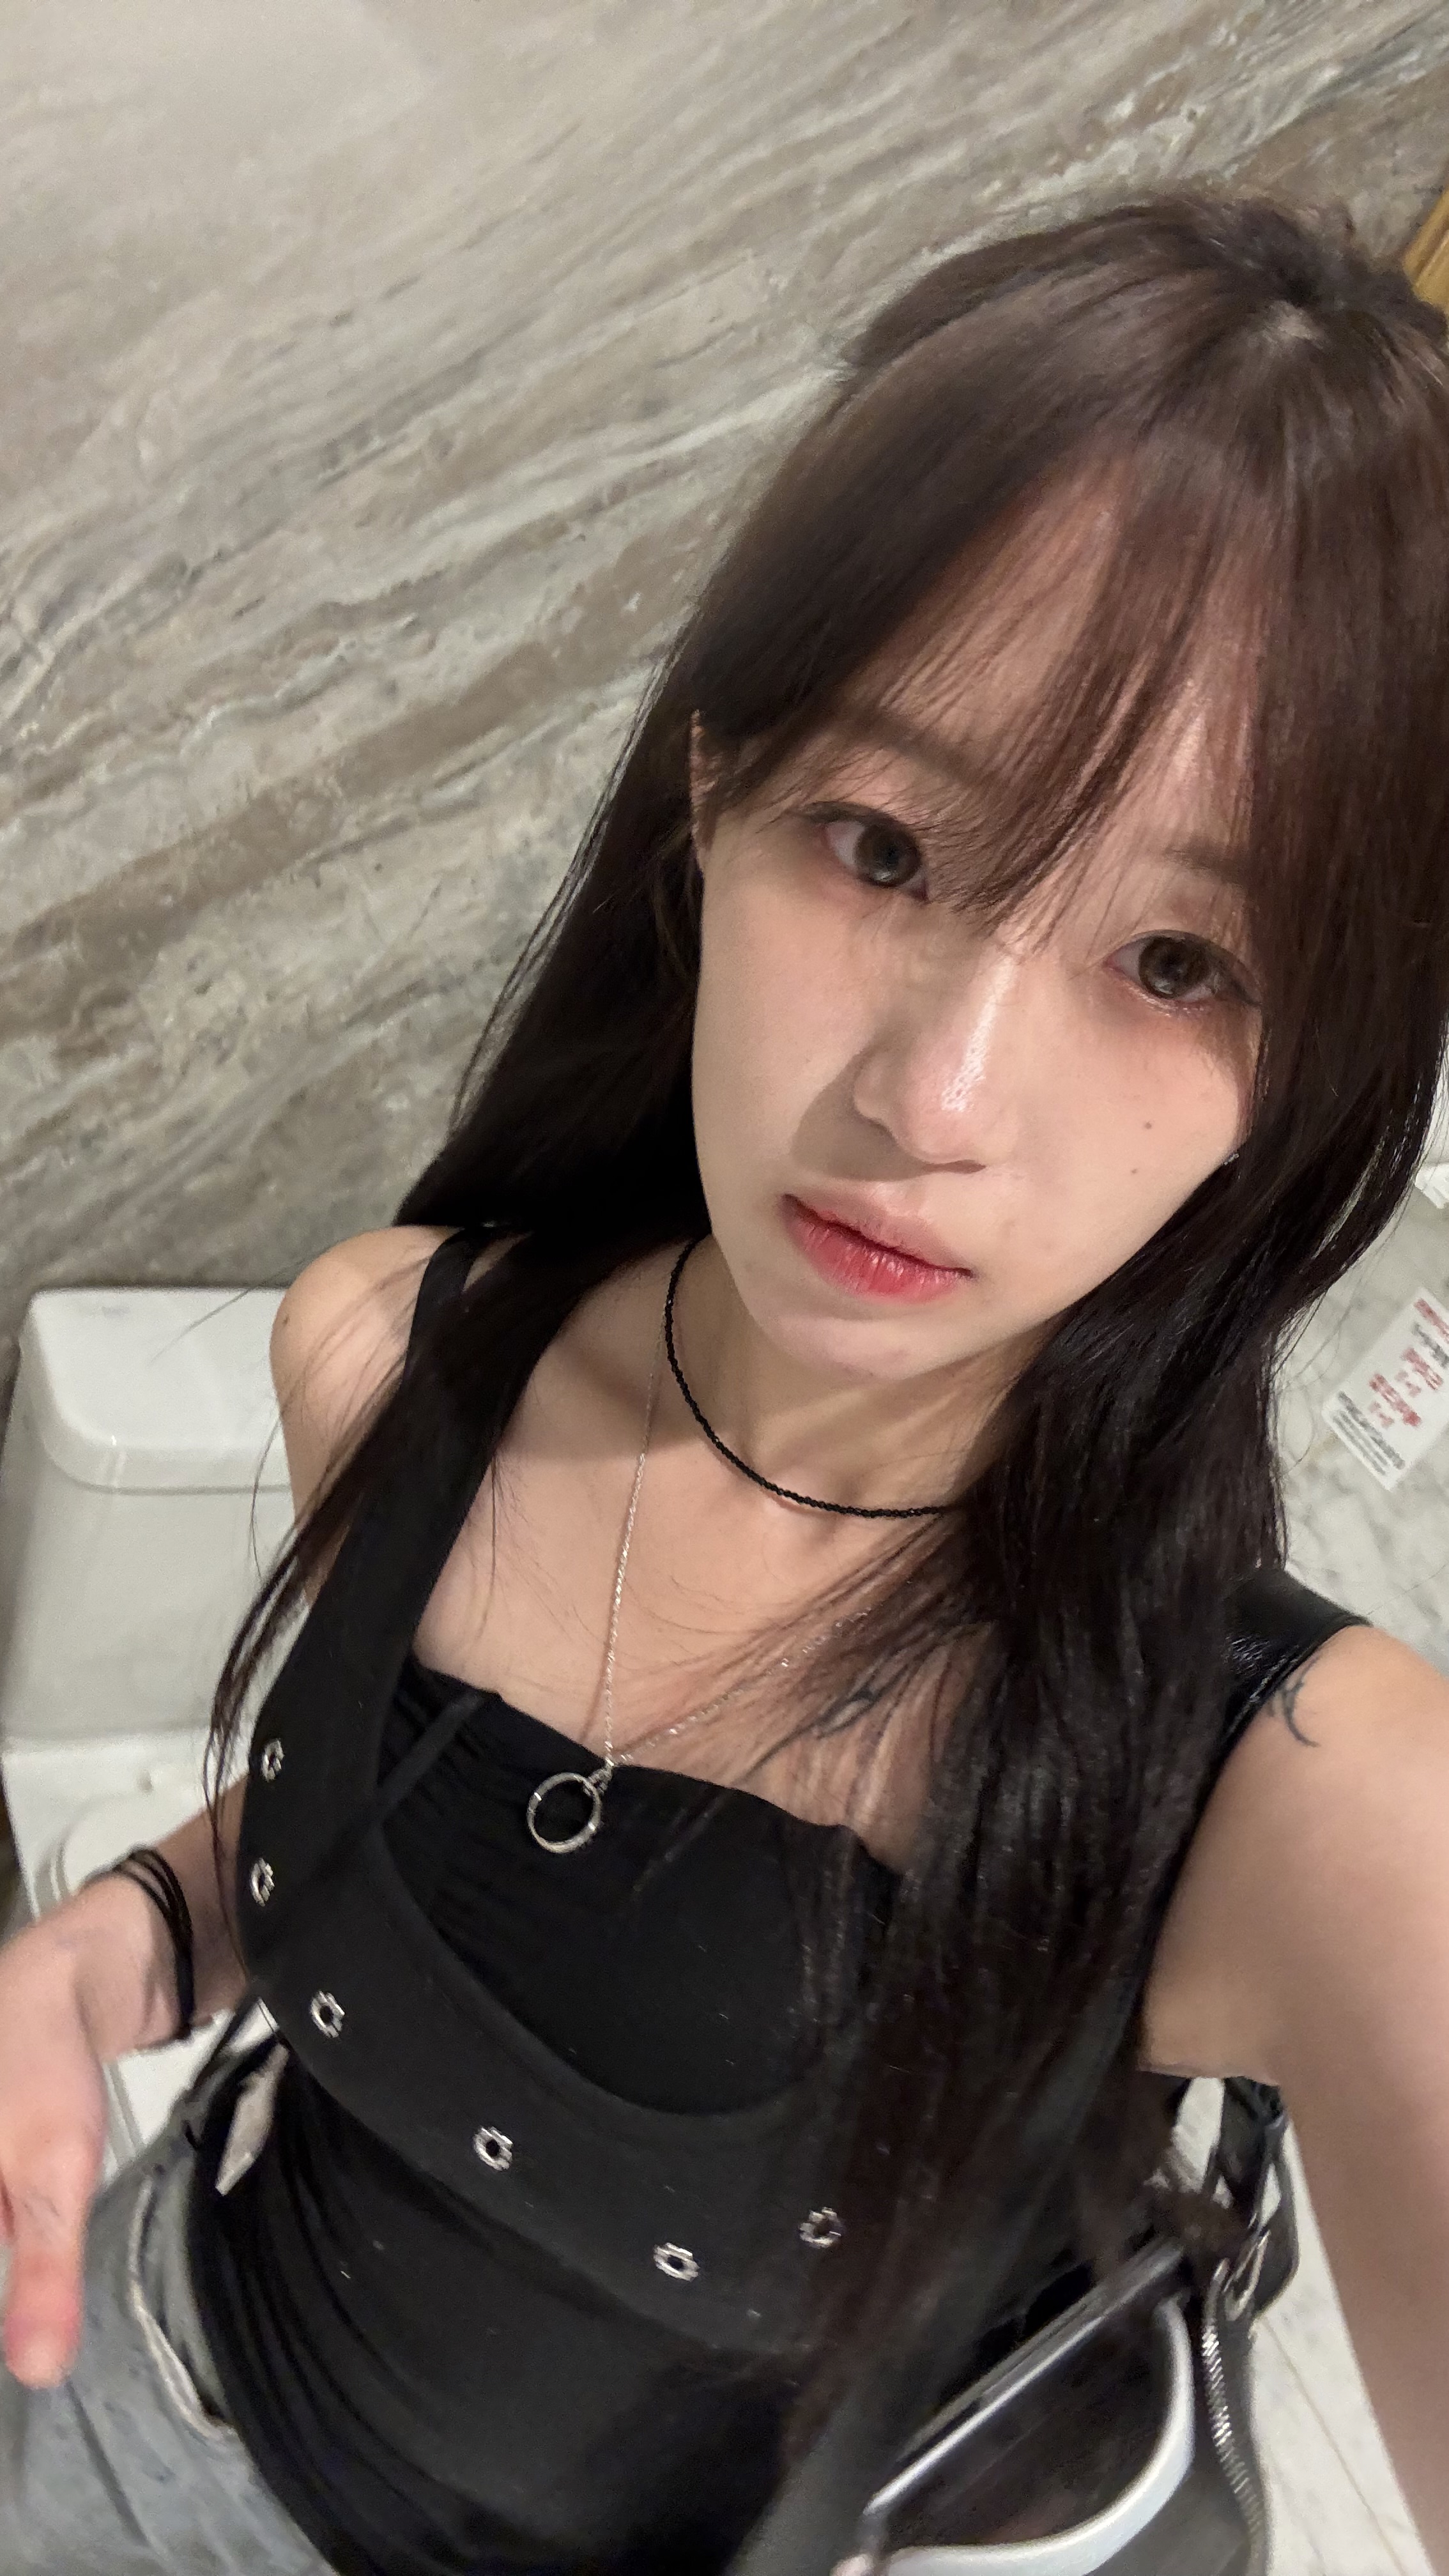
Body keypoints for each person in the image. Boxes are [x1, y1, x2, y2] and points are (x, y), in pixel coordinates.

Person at [3, 187, 1449, 2576]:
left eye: (1178, 962)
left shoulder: (1309, 1808)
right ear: (713, 796)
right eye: (880, 844)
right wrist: (125, 1942)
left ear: (1302, 1073)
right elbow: (402, 1862)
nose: (934, 1097)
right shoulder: (387, 1343)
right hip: (137, 2391)